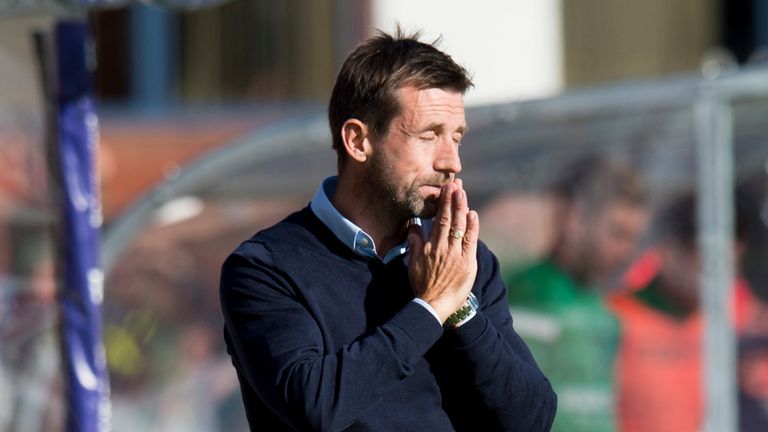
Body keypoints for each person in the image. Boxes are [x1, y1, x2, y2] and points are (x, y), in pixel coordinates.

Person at [219, 29, 557, 431]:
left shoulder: (462, 261)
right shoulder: (264, 268)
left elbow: (532, 419)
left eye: (457, 137)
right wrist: (430, 308)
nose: (452, 162)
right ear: (358, 141)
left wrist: (461, 310)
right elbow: (316, 409)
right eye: (429, 135)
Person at [505, 156, 650, 432]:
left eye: (634, 237)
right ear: (573, 217)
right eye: (617, 233)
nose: (627, 251)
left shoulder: (602, 309)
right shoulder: (528, 298)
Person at [607, 191, 764, 432]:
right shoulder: (617, 317)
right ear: (670, 252)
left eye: (730, 266)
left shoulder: (725, 320)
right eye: (709, 265)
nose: (721, 281)